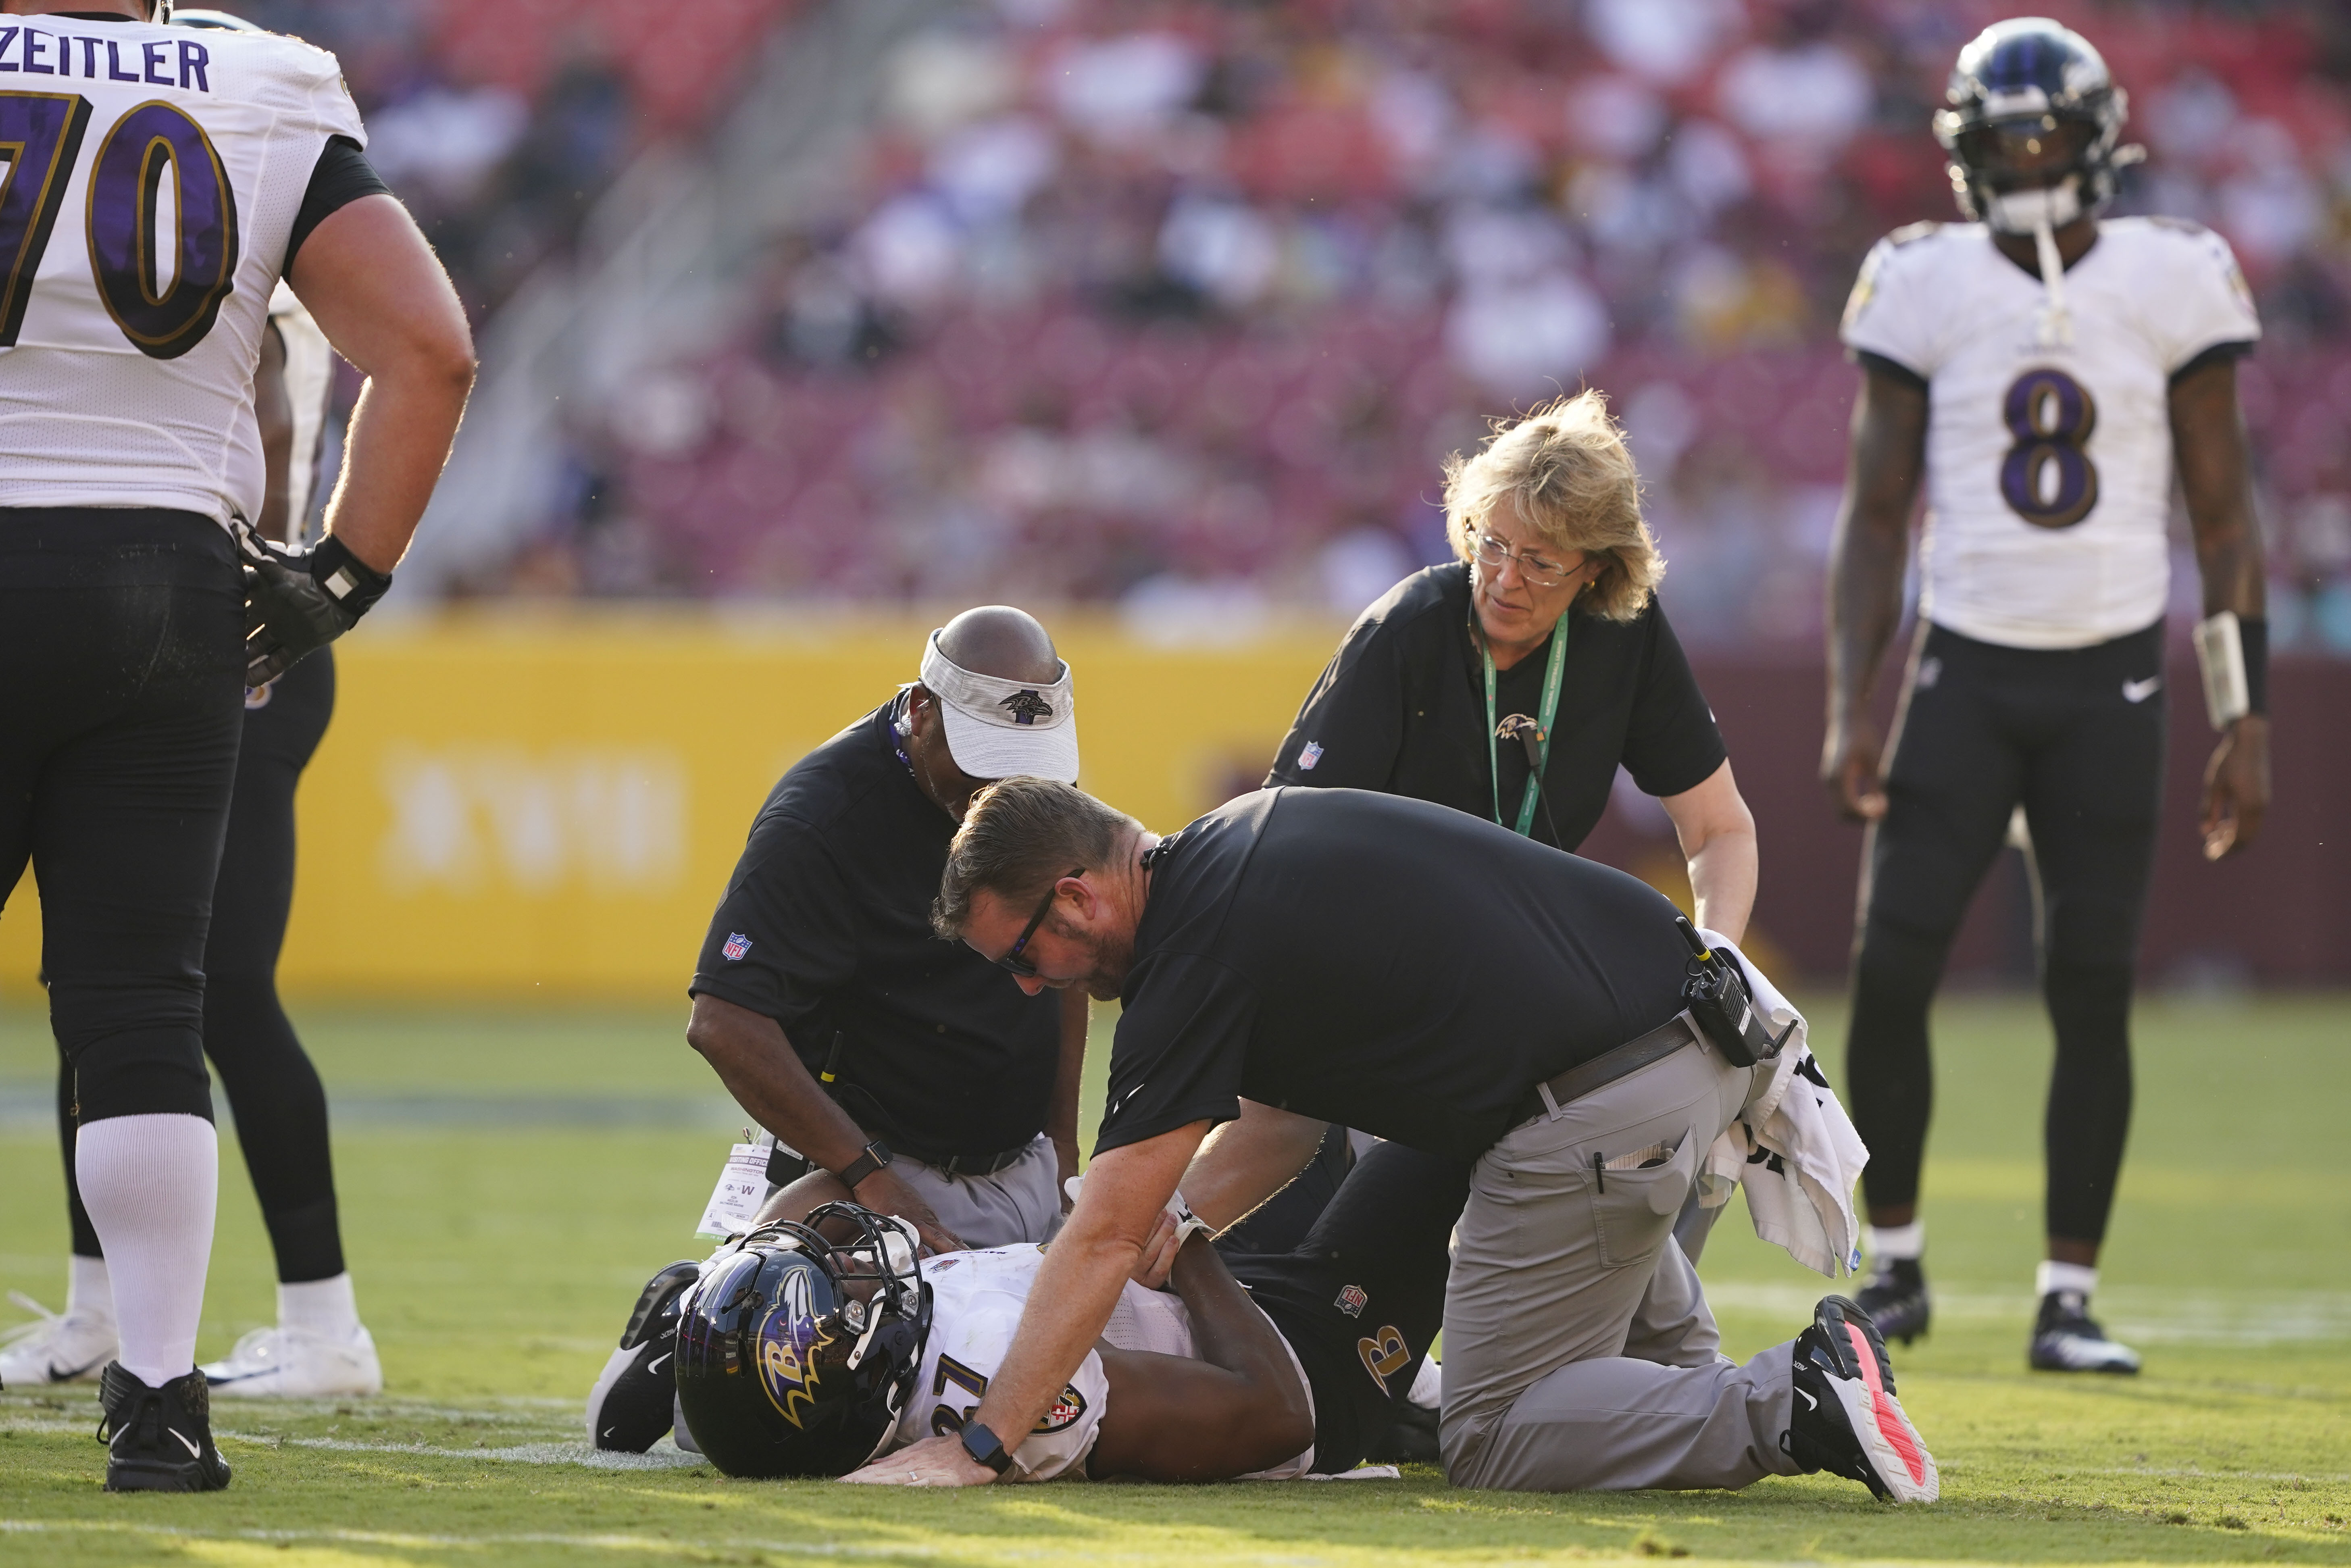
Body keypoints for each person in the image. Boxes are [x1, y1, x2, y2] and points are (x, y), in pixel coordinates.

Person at [846, 781, 1937, 1502]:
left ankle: (1791, 1396)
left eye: (1025, 954)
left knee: (1495, 1434)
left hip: (1606, 1098)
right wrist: (1173, 1231)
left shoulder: (1189, 953)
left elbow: (1101, 1230)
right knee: (1625, 1385)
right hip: (1669, 1040)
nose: (1033, 986)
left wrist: (979, 1445)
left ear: (1078, 897)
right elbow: (1278, 1131)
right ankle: (1703, 1394)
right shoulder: (1233, 844)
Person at [0, 0, 475, 1491]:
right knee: (145, 1009)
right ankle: (157, 1404)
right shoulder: (263, 79)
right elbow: (431, 350)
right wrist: (338, 580)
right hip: (171, 576)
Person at [1823, 19, 2270, 1374]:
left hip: (2113, 677)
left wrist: (2244, 711)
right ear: (1962, 154)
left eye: (2043, 137)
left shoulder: (2170, 273)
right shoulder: (1921, 279)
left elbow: (2225, 514)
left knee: (2091, 985)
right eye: (2001, 140)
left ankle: (2066, 1294)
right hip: (1964, 665)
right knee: (1891, 966)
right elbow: (1875, 514)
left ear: (2094, 143)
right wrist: (1855, 697)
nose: (2023, 161)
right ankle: (1893, 1267)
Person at [587, 1139, 1467, 1482]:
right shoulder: (986, 1372)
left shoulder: (751, 1419)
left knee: (1310, 1087)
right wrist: (1180, 1235)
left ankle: (1426, 1399)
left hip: (1197, 1290)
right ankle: (1426, 1396)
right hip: (1297, 1350)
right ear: (852, 1350)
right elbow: (1279, 1414)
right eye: (843, 1284)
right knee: (1444, 1119)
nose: (857, 1262)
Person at [1268, 391, 1757, 941]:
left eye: (1540, 563)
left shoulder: (1627, 633)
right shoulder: (1406, 629)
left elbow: (1721, 828)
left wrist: (1721, 961)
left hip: (1520, 950)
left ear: (1596, 568)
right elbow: (1285, 830)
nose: (1503, 578)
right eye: (1494, 544)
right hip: (1383, 943)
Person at [683, 609, 1091, 1258]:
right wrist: (873, 1177)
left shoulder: (1032, 789)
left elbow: (1064, 959)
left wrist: (1064, 1149)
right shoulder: (823, 819)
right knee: (752, 1344)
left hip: (1028, 1170)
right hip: (866, 1181)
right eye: (984, 755)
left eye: (1021, 761)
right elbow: (725, 1019)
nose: (998, 785)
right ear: (922, 710)